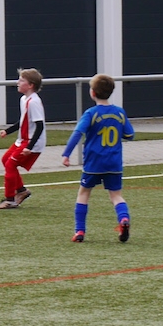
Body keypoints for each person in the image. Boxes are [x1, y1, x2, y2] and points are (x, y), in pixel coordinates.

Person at [61, 74, 134, 243]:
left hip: (94, 162)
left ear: (92, 93)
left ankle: (80, 231)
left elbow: (77, 133)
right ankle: (123, 219)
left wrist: (66, 154)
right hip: (114, 162)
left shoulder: (91, 113)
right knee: (116, 195)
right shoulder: (119, 112)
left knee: (84, 193)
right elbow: (130, 135)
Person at [0, 68, 46, 209]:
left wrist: (30, 147)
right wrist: (7, 131)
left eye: (21, 80)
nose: (18, 82)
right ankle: (21, 190)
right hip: (22, 140)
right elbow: (23, 121)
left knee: (10, 164)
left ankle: (9, 199)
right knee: (5, 160)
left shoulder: (33, 102)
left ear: (30, 85)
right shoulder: (24, 99)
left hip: (31, 142)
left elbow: (40, 126)